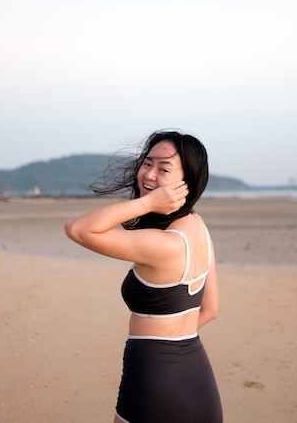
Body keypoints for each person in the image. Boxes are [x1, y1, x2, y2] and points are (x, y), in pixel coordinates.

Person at [65, 130, 223, 423]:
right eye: (147, 164)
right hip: (198, 377)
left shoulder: (163, 244)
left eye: (164, 169)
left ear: (186, 183)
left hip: (154, 378)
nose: (149, 175)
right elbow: (210, 309)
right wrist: (172, 339)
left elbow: (78, 229)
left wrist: (148, 203)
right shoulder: (197, 226)